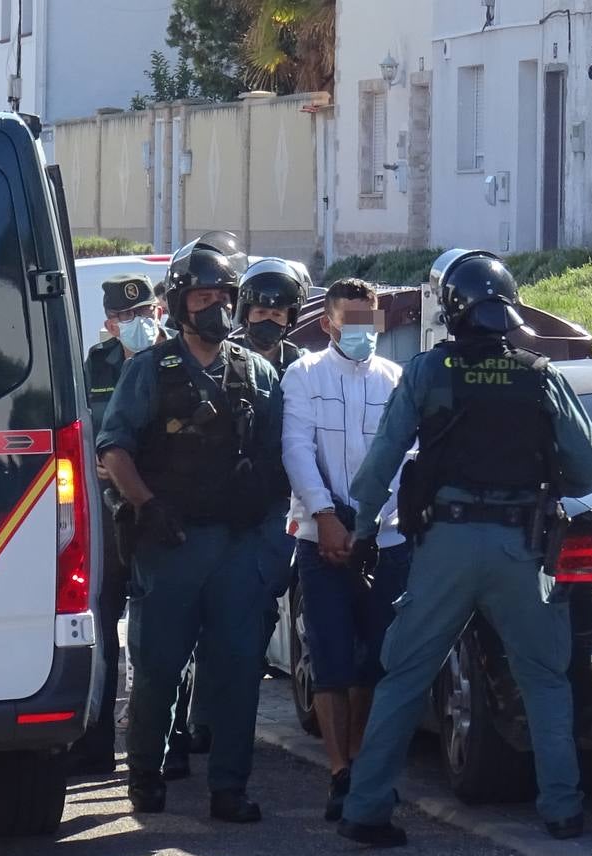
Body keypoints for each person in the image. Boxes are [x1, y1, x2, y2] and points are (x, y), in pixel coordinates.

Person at [336, 250, 592, 848]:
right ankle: (562, 810)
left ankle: (366, 809)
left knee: (404, 676)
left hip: (447, 547)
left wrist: (360, 529)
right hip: (520, 549)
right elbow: (588, 471)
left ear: (451, 312)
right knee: (544, 679)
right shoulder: (541, 375)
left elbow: (381, 461)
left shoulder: (430, 371)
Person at [96, 241, 284, 823]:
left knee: (237, 670)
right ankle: (146, 775)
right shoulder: (149, 370)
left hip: (236, 546)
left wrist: (270, 544)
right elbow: (115, 448)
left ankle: (229, 786)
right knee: (157, 667)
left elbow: (281, 460)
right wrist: (146, 506)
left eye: (224, 297)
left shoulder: (258, 372)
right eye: (203, 297)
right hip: (170, 543)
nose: (216, 307)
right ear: (180, 304)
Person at [173, 257, 311, 776]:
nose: (267, 320)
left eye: (278, 313)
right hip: (218, 510)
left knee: (253, 622)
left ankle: (228, 729)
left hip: (278, 510)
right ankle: (194, 724)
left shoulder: (303, 367)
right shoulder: (221, 358)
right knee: (197, 626)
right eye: (257, 309)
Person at [280, 277, 410, 822]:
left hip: (385, 539)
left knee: (375, 662)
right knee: (332, 660)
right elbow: (296, 447)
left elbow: (408, 455)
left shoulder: (396, 378)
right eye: (350, 320)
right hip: (322, 538)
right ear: (329, 322)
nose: (362, 331)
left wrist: (372, 523)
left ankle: (362, 762)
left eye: (369, 320)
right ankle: (338, 771)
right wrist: (328, 517)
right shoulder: (305, 375)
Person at [66, 274, 169, 775]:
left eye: (146, 313)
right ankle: (95, 744)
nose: (139, 324)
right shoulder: (96, 364)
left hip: (162, 510)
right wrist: (96, 459)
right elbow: (78, 425)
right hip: (108, 514)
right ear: (110, 323)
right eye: (127, 318)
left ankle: (164, 745)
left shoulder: (181, 360)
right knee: (104, 628)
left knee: (165, 632)